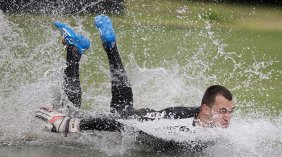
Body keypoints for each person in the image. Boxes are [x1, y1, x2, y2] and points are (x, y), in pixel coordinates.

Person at [36, 15, 235, 137]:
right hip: (131, 121)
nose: (228, 117)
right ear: (206, 110)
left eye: (230, 111)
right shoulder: (185, 134)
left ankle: (105, 44)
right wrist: (70, 124)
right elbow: (118, 124)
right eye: (223, 111)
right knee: (70, 115)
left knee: (122, 109)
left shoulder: (199, 114)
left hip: (139, 115)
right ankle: (75, 48)